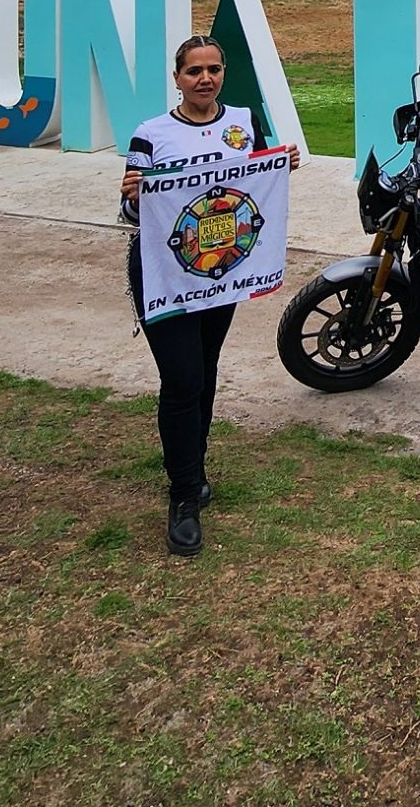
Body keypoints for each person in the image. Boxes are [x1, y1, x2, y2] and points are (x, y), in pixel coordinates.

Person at [119, 35, 255, 557]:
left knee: (205, 370)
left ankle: (193, 470)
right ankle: (183, 498)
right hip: (164, 274)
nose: (205, 79)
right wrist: (135, 197)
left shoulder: (242, 124)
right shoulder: (151, 135)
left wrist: (275, 170)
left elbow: (251, 189)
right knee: (182, 379)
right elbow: (130, 216)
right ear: (176, 78)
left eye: (214, 69)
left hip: (220, 273)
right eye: (194, 70)